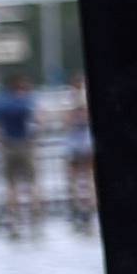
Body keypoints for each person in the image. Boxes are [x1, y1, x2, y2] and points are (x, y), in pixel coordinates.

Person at [0, 73, 39, 236]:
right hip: (25, 144)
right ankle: (35, 219)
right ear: (20, 86)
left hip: (7, 145)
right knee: (32, 183)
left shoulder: (1, 102)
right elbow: (38, 120)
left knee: (11, 186)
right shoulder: (25, 101)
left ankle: (13, 221)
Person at [61, 80, 96, 231]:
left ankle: (77, 207)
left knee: (74, 178)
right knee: (89, 177)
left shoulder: (68, 100)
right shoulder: (87, 98)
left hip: (74, 143)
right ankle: (89, 208)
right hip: (86, 142)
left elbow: (66, 122)